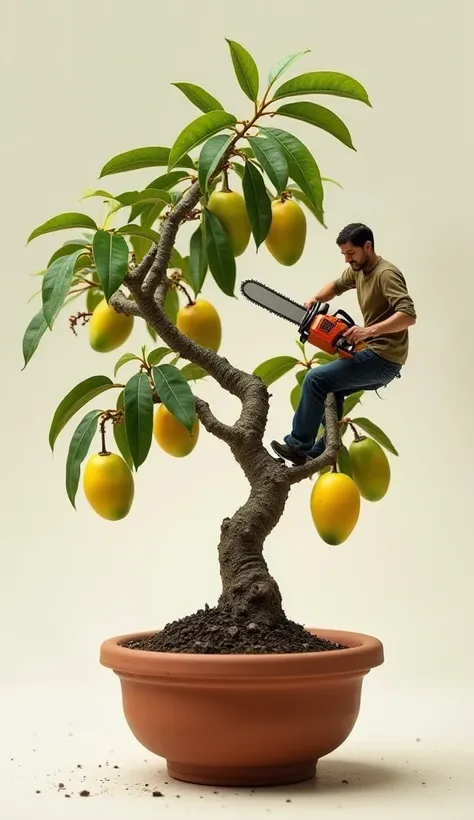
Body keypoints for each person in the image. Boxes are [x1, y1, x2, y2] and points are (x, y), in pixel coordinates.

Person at [270, 222, 417, 466]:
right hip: (376, 356)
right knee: (331, 388)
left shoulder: (385, 274)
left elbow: (409, 315)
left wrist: (369, 330)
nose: (347, 259)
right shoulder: (359, 270)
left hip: (383, 358)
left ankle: (298, 446)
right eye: (344, 254)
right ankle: (324, 448)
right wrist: (316, 298)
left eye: (351, 253)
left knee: (315, 379)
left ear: (367, 247)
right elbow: (336, 286)